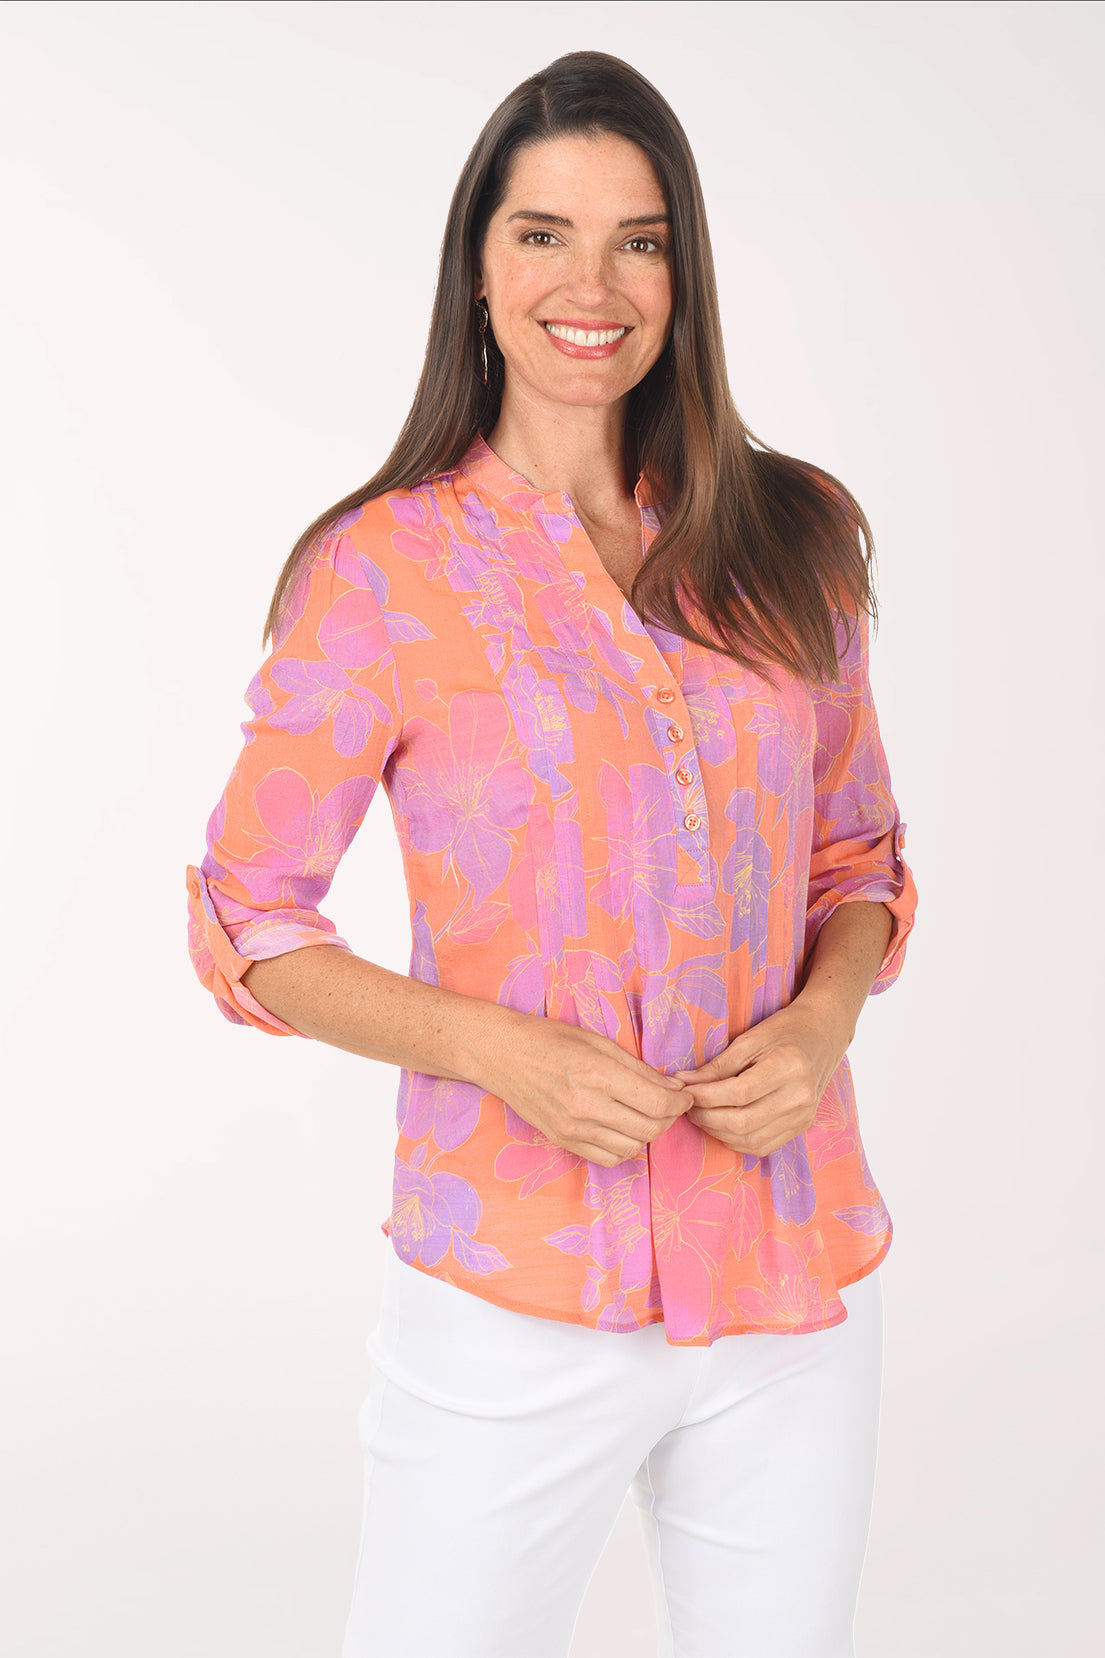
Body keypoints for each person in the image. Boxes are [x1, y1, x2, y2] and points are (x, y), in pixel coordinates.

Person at [186, 49, 917, 1658]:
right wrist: (498, 1052)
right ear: (476, 265)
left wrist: (818, 1022)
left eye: (638, 240)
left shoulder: (791, 534)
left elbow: (856, 854)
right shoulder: (378, 571)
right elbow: (246, 915)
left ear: (683, 273)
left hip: (788, 1271)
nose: (590, 285)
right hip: (511, 1293)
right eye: (542, 235)